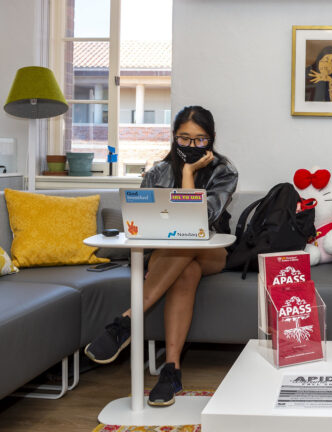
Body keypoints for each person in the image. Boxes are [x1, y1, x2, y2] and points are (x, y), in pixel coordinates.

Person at [84, 106, 238, 407]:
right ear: (174, 137)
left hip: (211, 251)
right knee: (186, 271)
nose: (192, 146)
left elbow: (199, 222)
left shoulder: (224, 172)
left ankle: (127, 321)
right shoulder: (156, 172)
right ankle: (172, 370)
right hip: (166, 255)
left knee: (189, 243)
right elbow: (143, 224)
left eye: (200, 140)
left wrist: (188, 172)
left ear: (212, 139)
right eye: (184, 139)